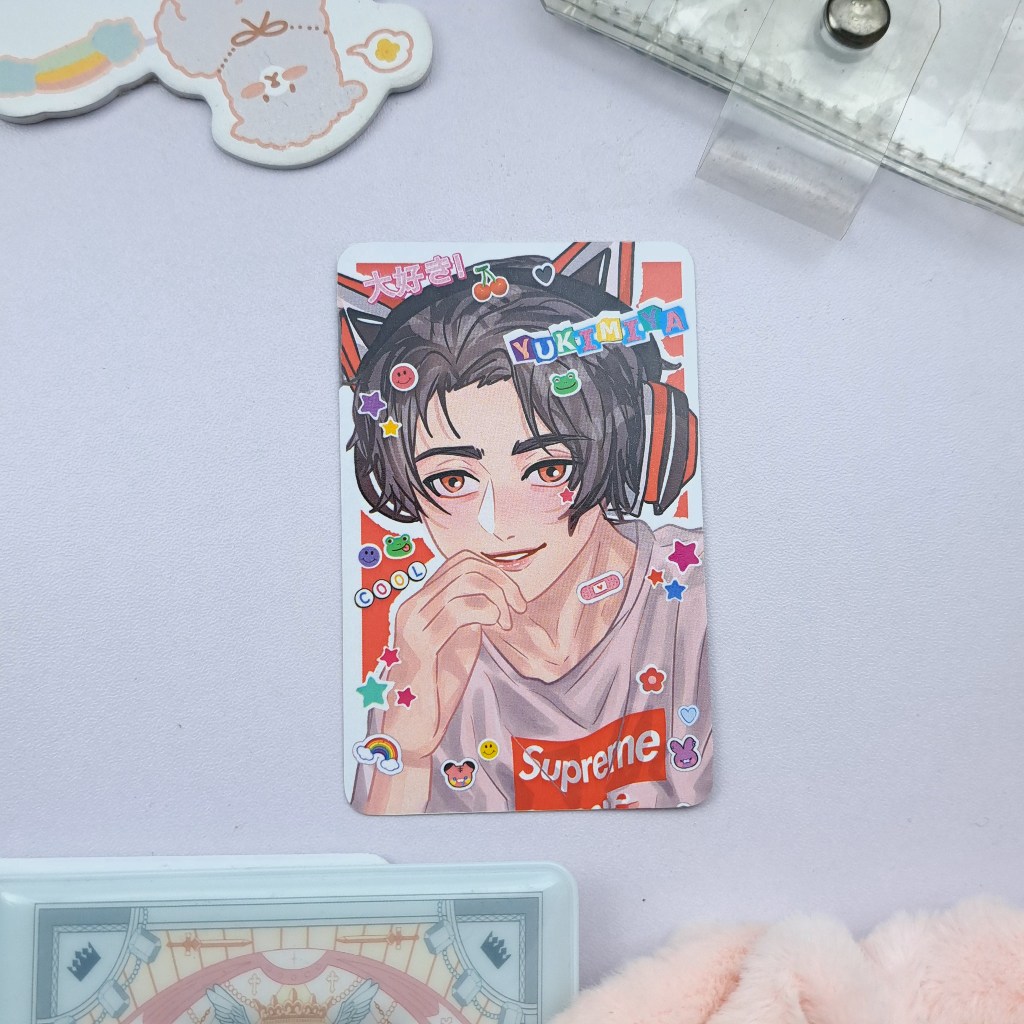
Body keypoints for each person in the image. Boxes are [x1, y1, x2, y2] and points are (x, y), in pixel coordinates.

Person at [345, 253, 711, 814]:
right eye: (452, 480)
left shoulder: (701, 599)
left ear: (630, 452)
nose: (499, 524)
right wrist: (409, 748)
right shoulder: (425, 658)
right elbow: (383, 852)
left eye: (547, 468)